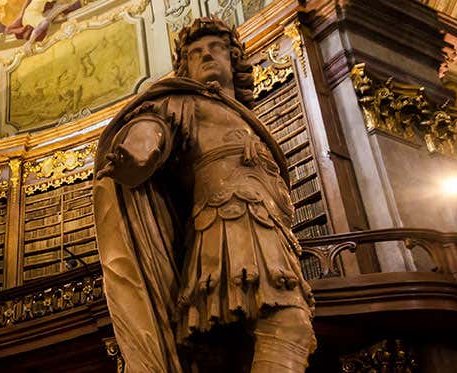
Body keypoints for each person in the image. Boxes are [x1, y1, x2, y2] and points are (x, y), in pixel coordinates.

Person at [93, 17, 316, 373]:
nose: (207, 56)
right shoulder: (186, 102)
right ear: (185, 66)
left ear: (233, 59)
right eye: (196, 53)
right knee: (290, 325)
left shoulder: (247, 118)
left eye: (215, 49)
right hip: (223, 226)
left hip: (270, 232)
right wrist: (138, 149)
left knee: (232, 354)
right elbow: (153, 122)